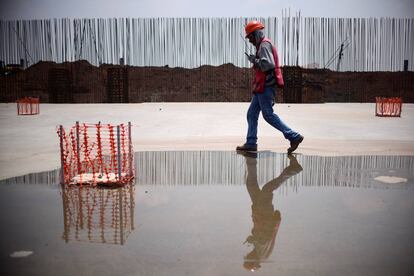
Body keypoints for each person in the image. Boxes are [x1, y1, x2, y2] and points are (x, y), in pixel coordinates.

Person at [236, 21, 304, 155]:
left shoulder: (264, 45)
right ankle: (251, 143)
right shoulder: (262, 45)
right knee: (252, 114)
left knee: (268, 115)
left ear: (256, 34)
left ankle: (293, 136)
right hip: (262, 86)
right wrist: (256, 59)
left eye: (250, 37)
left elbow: (268, 64)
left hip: (266, 85)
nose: (249, 41)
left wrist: (254, 61)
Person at [242, 153, 303, 272]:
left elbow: (261, 236)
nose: (247, 255)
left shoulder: (260, 253)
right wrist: (253, 239)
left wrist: (253, 238)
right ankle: (293, 170)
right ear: (252, 259)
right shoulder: (262, 254)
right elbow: (264, 239)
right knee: (266, 189)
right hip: (264, 213)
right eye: (248, 258)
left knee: (252, 185)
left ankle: (251, 159)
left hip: (259, 211)